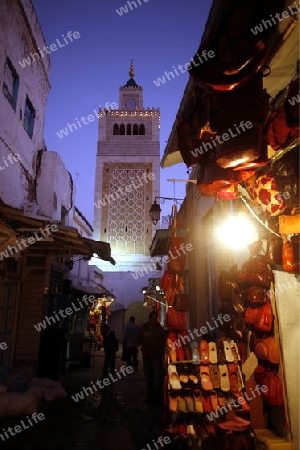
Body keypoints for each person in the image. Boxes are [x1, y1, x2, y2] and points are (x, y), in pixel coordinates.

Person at [138, 310, 166, 404]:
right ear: (150, 318)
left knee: (156, 376)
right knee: (149, 375)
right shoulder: (144, 327)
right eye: (153, 318)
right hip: (147, 354)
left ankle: (156, 395)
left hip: (156, 355)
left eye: (155, 318)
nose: (154, 320)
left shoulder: (159, 329)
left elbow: (163, 340)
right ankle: (150, 395)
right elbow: (139, 336)